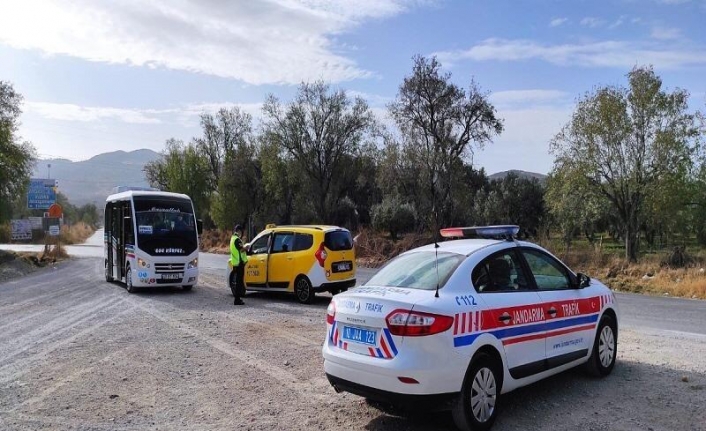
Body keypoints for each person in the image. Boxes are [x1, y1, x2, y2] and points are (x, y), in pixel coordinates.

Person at [230, 224, 249, 305]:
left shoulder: (232, 239)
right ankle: (237, 300)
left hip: (235, 263)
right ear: (239, 231)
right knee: (239, 282)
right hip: (239, 264)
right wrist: (247, 247)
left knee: (238, 282)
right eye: (241, 232)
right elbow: (241, 250)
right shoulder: (237, 240)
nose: (242, 234)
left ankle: (238, 299)